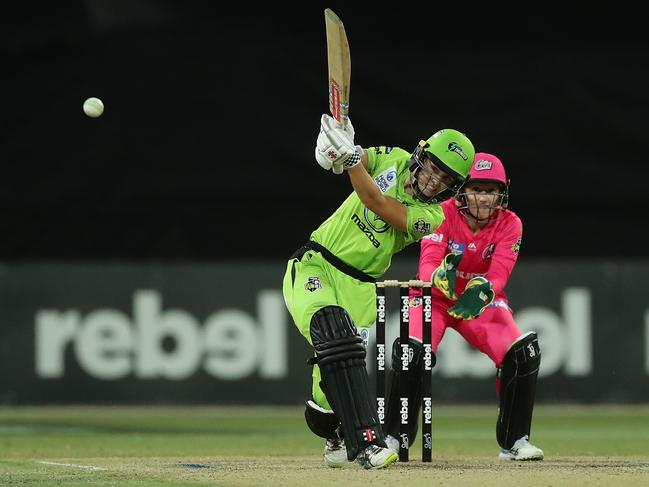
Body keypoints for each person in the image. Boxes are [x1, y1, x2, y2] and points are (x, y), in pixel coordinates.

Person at [282, 113, 475, 469]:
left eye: (446, 179)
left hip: (361, 289)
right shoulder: (395, 157)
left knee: (323, 408)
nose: (434, 182)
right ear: (421, 155)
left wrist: (351, 161)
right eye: (433, 168)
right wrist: (331, 152)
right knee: (333, 326)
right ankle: (367, 442)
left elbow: (378, 203)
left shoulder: (431, 217)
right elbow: (355, 160)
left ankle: (336, 431)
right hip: (316, 263)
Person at [382, 152, 544, 461]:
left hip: (478, 302)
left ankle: (514, 442)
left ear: (501, 193)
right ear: (462, 190)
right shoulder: (438, 213)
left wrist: (485, 288)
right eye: (476, 189)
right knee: (411, 351)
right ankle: (393, 437)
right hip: (435, 298)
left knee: (523, 353)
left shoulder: (511, 224)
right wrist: (437, 278)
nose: (483, 198)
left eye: (491, 191)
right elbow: (428, 262)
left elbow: (499, 272)